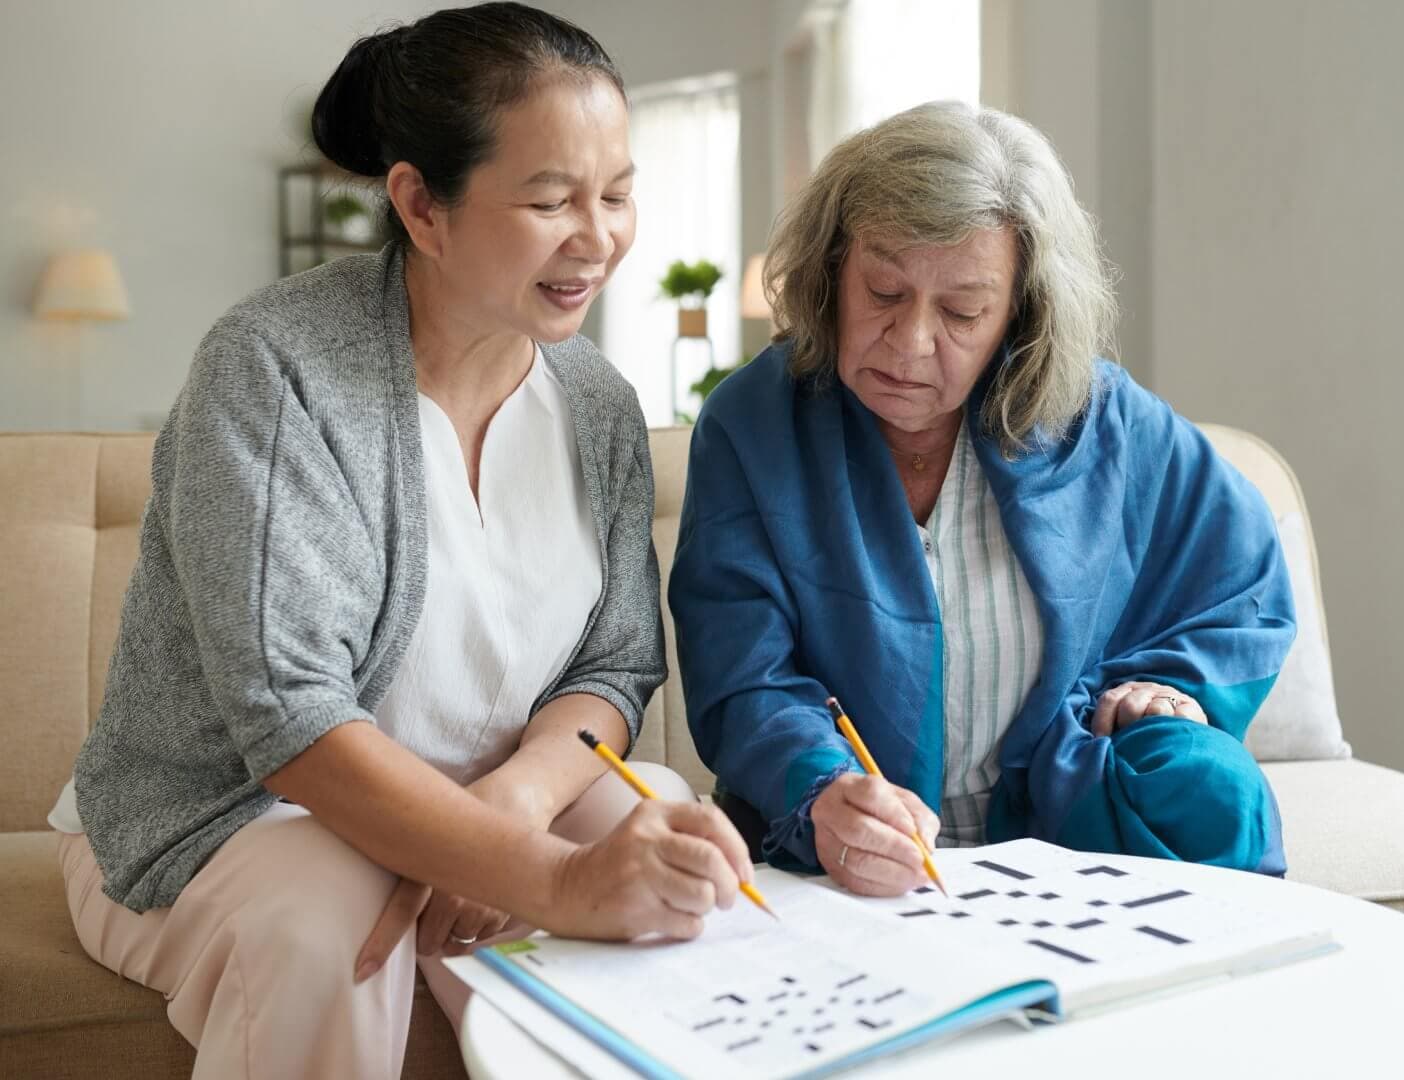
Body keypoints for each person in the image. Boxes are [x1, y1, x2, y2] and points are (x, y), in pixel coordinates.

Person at [49, 6, 753, 1077]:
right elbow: (290, 716)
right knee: (333, 919)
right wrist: (541, 876)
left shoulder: (597, 401)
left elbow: (613, 666)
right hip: (236, 813)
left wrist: (508, 814)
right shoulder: (277, 367)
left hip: (483, 787)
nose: (597, 237)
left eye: (616, 194)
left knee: (666, 837)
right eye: (550, 200)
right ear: (421, 203)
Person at [669, 101, 1294, 899]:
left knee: (1220, 793)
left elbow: (1242, 578)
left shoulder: (1098, 419)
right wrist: (824, 787)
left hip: (1064, 823)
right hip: (843, 839)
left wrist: (1174, 686)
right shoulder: (754, 424)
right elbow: (741, 669)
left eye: (963, 312)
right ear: (833, 270)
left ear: (1020, 313)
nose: (910, 342)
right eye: (883, 291)